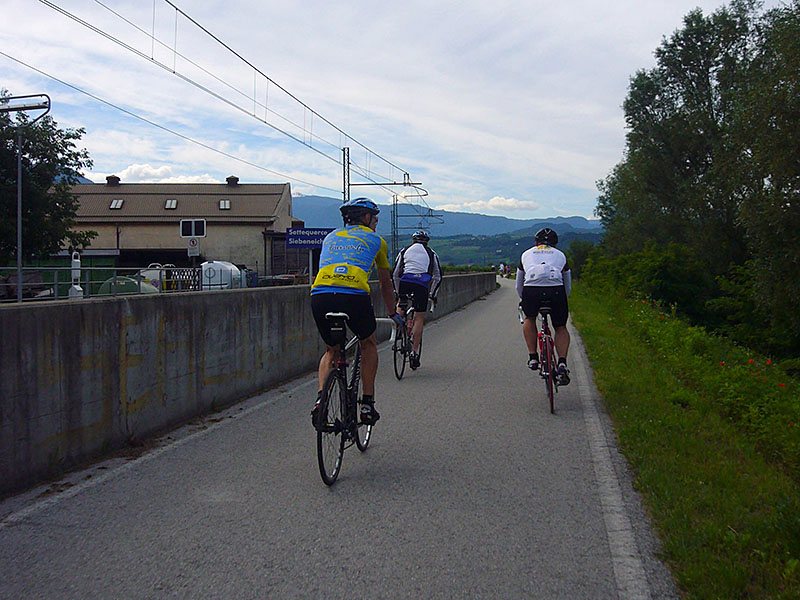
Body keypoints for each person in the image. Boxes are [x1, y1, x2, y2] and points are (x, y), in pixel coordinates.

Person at [310, 197, 399, 426]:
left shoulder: (331, 237)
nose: (376, 222)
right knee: (367, 343)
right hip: (353, 295)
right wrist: (392, 313)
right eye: (375, 218)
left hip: (320, 294)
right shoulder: (377, 241)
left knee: (331, 350)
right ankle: (367, 404)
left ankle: (320, 401)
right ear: (366, 218)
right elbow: (385, 283)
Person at [516, 227, 572, 385]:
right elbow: (567, 285)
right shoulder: (560, 255)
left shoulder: (526, 254)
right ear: (555, 244)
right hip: (556, 290)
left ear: (536, 243)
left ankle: (533, 357)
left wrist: (523, 299)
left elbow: (519, 284)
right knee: (560, 327)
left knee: (530, 318)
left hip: (531, 290)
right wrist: (563, 300)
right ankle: (562, 363)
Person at [392, 230, 442, 369]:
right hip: (422, 285)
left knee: (401, 305)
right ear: (427, 241)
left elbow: (395, 274)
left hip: (406, 282)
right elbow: (437, 277)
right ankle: (414, 352)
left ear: (413, 240)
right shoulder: (432, 253)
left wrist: (397, 292)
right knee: (419, 318)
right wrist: (432, 294)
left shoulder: (404, 250)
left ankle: (397, 331)